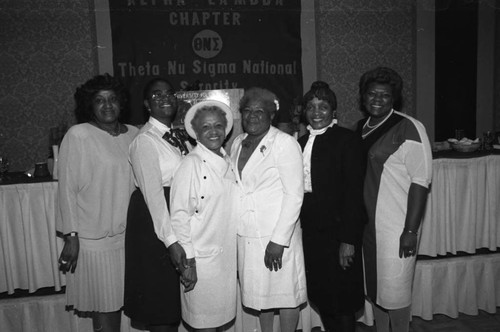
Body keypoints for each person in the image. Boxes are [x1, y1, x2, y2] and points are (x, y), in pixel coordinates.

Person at [57, 73, 139, 332]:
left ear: (121, 103)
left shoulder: (135, 134)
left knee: (128, 305)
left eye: (112, 99)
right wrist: (71, 235)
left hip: (130, 240)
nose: (107, 106)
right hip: (95, 242)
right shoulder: (79, 135)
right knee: (105, 312)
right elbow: (66, 188)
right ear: (88, 105)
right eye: (99, 100)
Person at [356, 67, 432, 332]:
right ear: (363, 97)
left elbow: (421, 180)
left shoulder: (409, 127)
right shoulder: (360, 128)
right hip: (368, 226)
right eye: (371, 94)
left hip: (397, 225)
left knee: (396, 292)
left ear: (394, 99)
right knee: (377, 290)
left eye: (385, 95)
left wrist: (410, 230)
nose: (377, 99)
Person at [230, 87, 306, 332]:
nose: (252, 116)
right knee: (261, 295)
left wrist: (278, 241)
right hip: (248, 234)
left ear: (271, 115)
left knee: (285, 295)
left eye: (259, 111)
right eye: (247, 111)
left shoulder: (284, 144)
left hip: (276, 234)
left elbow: (294, 195)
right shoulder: (237, 143)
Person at [124, 77, 193, 332]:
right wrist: (171, 241)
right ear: (146, 104)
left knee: (171, 304)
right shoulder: (145, 141)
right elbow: (153, 196)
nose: (165, 98)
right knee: (160, 305)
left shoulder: (176, 136)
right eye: (156, 95)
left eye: (169, 93)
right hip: (155, 226)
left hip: (172, 216)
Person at [298, 81, 366, 332]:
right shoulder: (301, 142)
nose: (316, 112)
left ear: (333, 111)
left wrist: (348, 240)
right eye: (311, 106)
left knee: (343, 301)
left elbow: (354, 195)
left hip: (339, 235)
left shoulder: (347, 141)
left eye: (323, 106)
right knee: (323, 296)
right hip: (312, 235)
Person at [169, 100, 238, 331]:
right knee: (203, 325)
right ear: (196, 132)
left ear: (226, 129)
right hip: (200, 261)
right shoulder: (191, 164)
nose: (213, 131)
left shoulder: (229, 160)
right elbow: (179, 216)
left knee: (220, 323)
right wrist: (187, 262)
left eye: (218, 125)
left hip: (225, 261)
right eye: (206, 127)